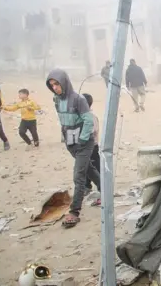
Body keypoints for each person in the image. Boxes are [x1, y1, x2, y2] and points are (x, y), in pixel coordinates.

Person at [46, 69, 100, 228]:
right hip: (71, 143)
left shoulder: (78, 99)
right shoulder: (56, 100)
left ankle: (75, 211)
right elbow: (63, 121)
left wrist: (83, 139)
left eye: (57, 84)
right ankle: (105, 190)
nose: (55, 87)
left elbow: (88, 120)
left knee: (79, 175)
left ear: (64, 82)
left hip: (84, 142)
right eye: (52, 85)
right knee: (88, 169)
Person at [82, 93, 101, 200]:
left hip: (92, 147)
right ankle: (86, 186)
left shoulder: (91, 117)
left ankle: (102, 187)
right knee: (85, 167)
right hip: (83, 148)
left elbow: (92, 131)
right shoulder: (81, 116)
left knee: (95, 168)